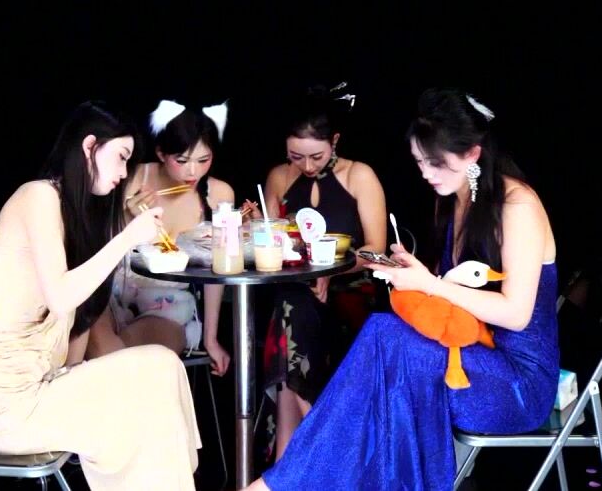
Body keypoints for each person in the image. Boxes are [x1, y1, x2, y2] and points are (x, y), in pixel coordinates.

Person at [245, 88, 560, 490]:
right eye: (419, 162)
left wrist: (429, 283)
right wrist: (410, 272)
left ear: (472, 154)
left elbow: (515, 314)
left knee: (388, 355)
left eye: (436, 163)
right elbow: (451, 292)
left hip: (515, 383)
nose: (427, 173)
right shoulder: (453, 198)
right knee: (384, 336)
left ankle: (280, 484)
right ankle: (290, 481)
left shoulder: (518, 207)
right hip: (468, 353)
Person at [0, 101, 201, 491]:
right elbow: (61, 296)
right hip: (11, 408)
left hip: (45, 386)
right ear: (90, 147)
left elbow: (76, 321)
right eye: (121, 157)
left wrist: (81, 375)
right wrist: (126, 239)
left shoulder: (69, 211)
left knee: (163, 364)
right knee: (151, 388)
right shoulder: (38, 196)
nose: (124, 173)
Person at [258, 82, 388, 463]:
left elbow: (377, 250)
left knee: (288, 320)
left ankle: (300, 459)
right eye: (296, 156)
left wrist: (332, 272)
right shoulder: (279, 178)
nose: (307, 166)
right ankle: (326, 454)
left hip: (351, 291)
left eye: (316, 156)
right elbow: (271, 243)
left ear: (335, 141)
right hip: (296, 290)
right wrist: (256, 227)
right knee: (290, 305)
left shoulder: (359, 176)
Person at [89, 99, 253, 375]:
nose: (193, 172)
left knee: (130, 360)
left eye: (204, 160)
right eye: (182, 161)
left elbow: (217, 269)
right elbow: (97, 247)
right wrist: (127, 219)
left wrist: (211, 338)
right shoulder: (131, 177)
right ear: (161, 153)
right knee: (101, 347)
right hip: (111, 294)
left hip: (168, 304)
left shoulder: (219, 194)